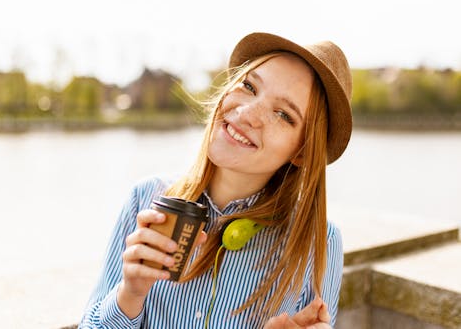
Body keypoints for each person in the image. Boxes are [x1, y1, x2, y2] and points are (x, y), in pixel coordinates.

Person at [79, 32, 352, 329]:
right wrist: (129, 296)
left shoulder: (319, 240)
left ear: (301, 152)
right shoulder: (145, 199)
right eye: (249, 86)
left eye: (283, 114)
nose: (247, 113)